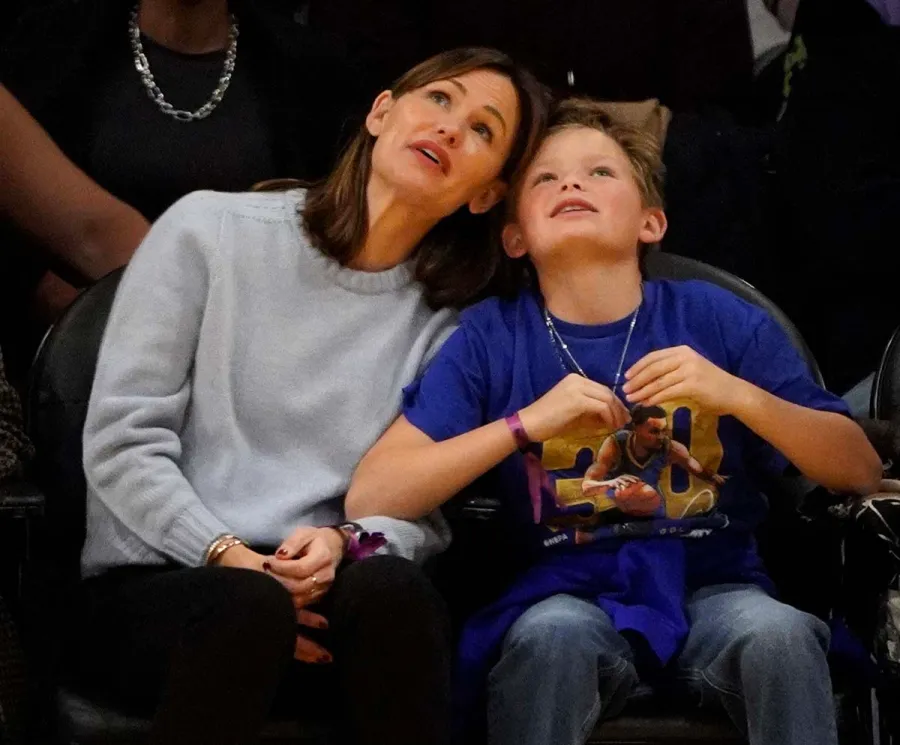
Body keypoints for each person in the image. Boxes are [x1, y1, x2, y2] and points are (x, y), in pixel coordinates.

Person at [345, 98, 882, 745]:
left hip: (717, 583)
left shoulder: (718, 317)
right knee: (547, 639)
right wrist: (524, 424)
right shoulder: (490, 337)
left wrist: (737, 395)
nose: (571, 184)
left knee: (781, 635)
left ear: (651, 221)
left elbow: (859, 468)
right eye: (545, 178)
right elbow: (374, 494)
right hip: (565, 590)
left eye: (599, 172)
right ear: (515, 236)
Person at [70, 48, 548, 745]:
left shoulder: (452, 327)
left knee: (395, 589)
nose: (450, 128)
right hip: (165, 582)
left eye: (482, 130)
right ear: (381, 113)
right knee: (248, 607)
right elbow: (122, 444)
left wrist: (344, 545)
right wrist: (228, 554)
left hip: (325, 596)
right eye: (440, 99)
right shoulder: (206, 231)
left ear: (485, 196)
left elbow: (420, 517)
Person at [0, 0, 363, 376]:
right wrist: (57, 301)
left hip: (243, 363)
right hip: (75, 359)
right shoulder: (51, 44)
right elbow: (68, 237)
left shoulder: (312, 75)